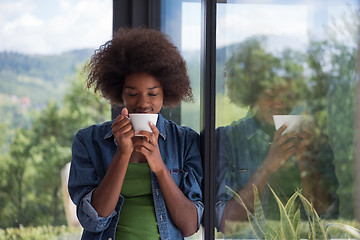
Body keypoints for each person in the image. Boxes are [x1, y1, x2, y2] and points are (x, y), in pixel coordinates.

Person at [68, 27, 203, 240]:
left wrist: (159, 166)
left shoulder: (186, 141)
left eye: (153, 93)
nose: (142, 103)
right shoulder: (88, 141)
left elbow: (189, 226)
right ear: (119, 93)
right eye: (132, 94)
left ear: (166, 92)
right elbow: (94, 220)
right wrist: (122, 154)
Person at [215, 37, 339, 234]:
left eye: (289, 96)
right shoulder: (225, 140)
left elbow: (325, 215)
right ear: (250, 93)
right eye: (271, 94)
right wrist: (269, 165)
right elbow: (225, 223)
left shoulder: (313, 140)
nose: (281, 104)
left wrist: (306, 161)